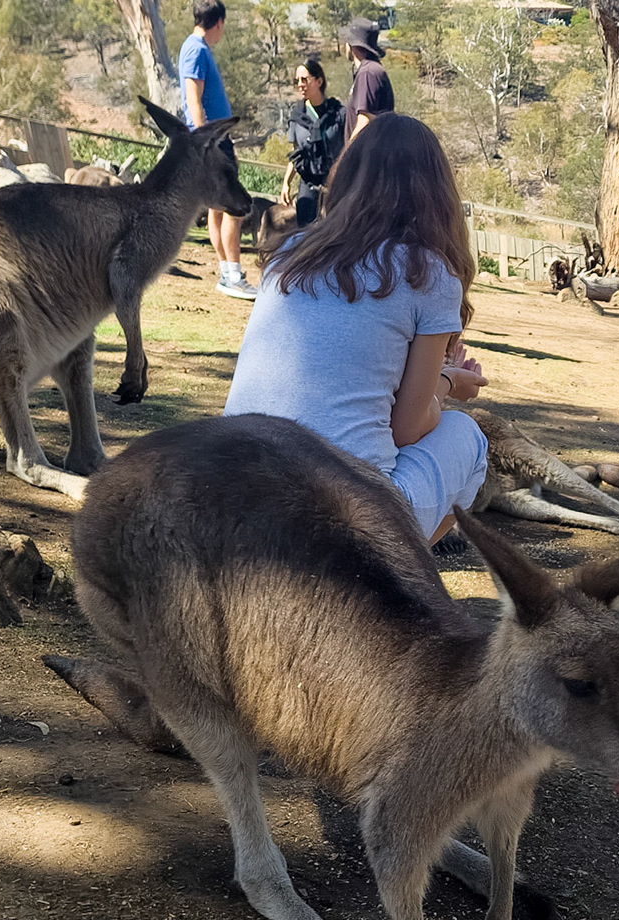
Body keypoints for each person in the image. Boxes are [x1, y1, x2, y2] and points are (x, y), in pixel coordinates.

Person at [225, 113, 488, 542]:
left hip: (234, 485)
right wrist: (447, 383)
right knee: (469, 437)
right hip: (345, 519)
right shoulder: (430, 274)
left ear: (348, 177)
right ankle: (392, 574)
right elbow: (407, 429)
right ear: (437, 194)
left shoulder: (290, 252)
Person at [179, 0, 255, 301]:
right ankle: (233, 274)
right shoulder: (196, 49)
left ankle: (226, 273)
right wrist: (205, 142)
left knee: (217, 208)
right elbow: (193, 98)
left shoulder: (197, 48)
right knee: (234, 206)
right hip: (212, 141)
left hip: (216, 139)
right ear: (219, 22)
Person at [281, 56, 345, 227]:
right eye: (297, 81)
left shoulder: (338, 114)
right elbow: (296, 153)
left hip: (334, 185)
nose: (300, 85)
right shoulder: (297, 116)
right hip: (308, 184)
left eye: (305, 79)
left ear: (319, 81)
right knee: (304, 232)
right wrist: (286, 183)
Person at [338, 17, 394, 143]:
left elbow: (365, 120)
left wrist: (347, 152)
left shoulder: (367, 73)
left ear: (352, 45)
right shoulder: (372, 70)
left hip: (368, 154)